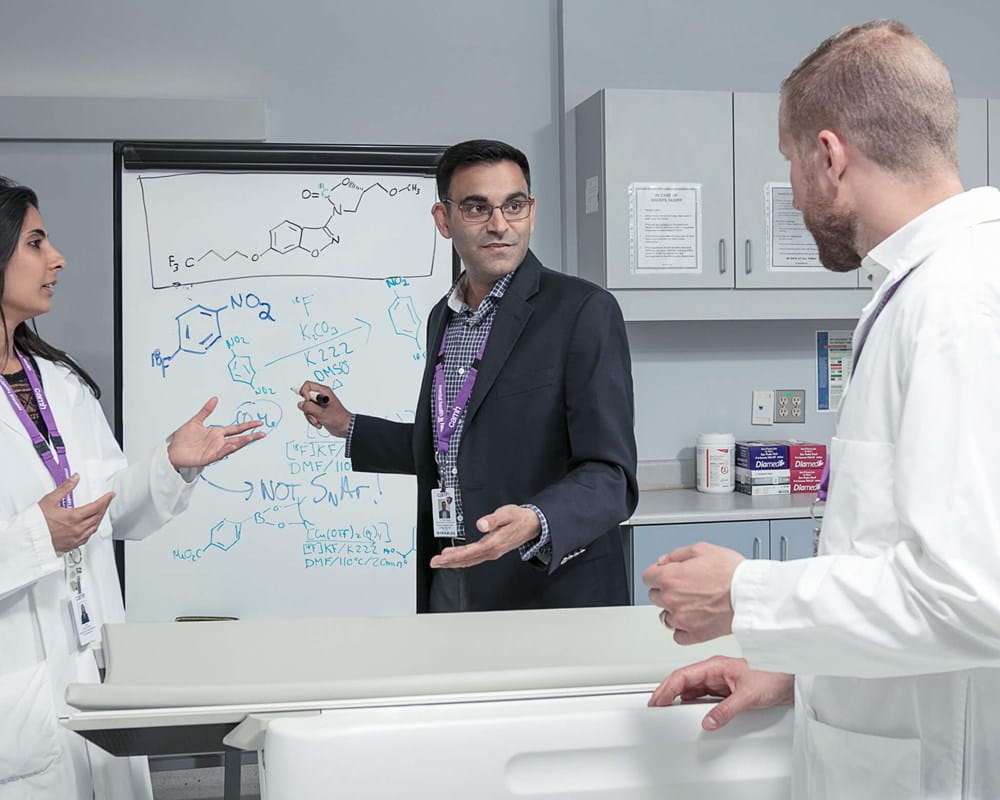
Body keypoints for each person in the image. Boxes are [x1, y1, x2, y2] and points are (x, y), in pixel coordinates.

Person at [641, 20, 1000, 798]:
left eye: (791, 164)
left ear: (829, 156)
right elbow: (899, 557)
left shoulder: (958, 302)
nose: (796, 193)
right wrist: (802, 668)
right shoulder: (929, 286)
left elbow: (977, 595)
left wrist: (746, 593)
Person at [0, 177, 266, 799]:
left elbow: (109, 511)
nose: (57, 258)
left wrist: (171, 464)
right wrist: (37, 537)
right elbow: (50, 529)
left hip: (89, 666)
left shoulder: (59, 383)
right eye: (36, 242)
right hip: (18, 693)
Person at [298, 139, 638, 612]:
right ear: (444, 219)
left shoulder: (583, 310)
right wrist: (347, 425)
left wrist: (536, 520)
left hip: (545, 585)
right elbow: (452, 443)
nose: (499, 224)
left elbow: (611, 476)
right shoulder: (445, 315)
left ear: (531, 211)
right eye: (477, 207)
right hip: (453, 574)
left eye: (513, 205)